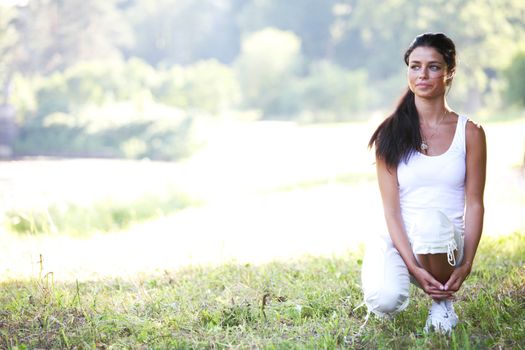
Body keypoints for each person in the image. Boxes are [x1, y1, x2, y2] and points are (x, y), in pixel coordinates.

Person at [361, 32, 486, 334]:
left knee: (432, 224)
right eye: (415, 66)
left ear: (449, 72)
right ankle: (402, 272)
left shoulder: (470, 133)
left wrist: (467, 261)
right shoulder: (390, 134)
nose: (423, 74)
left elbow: (475, 203)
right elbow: (391, 212)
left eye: (433, 66)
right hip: (400, 235)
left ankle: (441, 303)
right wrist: (413, 266)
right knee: (384, 300)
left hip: (444, 241)